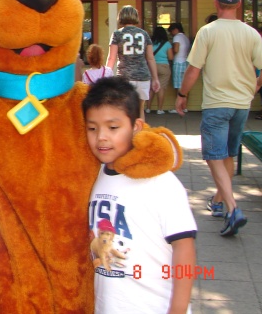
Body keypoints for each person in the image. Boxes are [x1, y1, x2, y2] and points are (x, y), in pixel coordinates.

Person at [83, 77, 197, 314]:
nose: (101, 136)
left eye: (113, 128)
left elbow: (184, 247)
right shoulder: (96, 176)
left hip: (154, 306)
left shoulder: (160, 182)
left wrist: (178, 309)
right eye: (92, 128)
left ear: (135, 126)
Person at [175, 0, 262, 236]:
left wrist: (182, 94)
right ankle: (218, 201)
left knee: (213, 155)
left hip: (217, 103)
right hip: (241, 105)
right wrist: (253, 87)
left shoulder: (208, 32)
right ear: (238, 4)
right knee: (228, 154)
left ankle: (232, 208)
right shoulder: (251, 34)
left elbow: (193, 69)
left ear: (216, 3)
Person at [106, 5, 160, 121]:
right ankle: (141, 136)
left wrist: (106, 75)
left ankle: (127, 137)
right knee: (140, 110)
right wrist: (155, 78)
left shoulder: (117, 34)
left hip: (125, 77)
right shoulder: (144, 34)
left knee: (125, 110)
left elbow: (112, 58)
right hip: (143, 76)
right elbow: (150, 58)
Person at [146, 26, 174, 114]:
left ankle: (148, 108)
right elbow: (171, 57)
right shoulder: (167, 44)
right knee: (161, 88)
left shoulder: (150, 43)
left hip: (151, 66)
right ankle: (160, 109)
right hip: (163, 66)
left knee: (151, 88)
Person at [168, 22, 190, 114]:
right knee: (185, 86)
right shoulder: (185, 37)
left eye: (171, 31)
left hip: (178, 62)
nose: (171, 33)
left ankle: (178, 107)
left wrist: (171, 52)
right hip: (185, 62)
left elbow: (176, 49)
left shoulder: (177, 37)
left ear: (175, 29)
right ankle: (185, 106)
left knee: (178, 86)